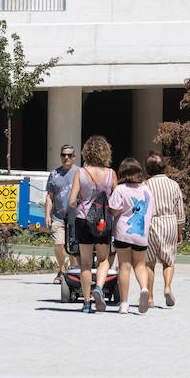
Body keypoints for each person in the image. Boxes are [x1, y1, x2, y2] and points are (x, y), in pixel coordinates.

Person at [68, 135, 116, 313]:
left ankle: (87, 303)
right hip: (103, 221)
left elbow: (71, 201)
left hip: (83, 220)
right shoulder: (111, 174)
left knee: (86, 264)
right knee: (103, 260)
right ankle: (99, 288)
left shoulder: (80, 173)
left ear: (86, 152)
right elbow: (116, 200)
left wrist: (80, 207)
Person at [109, 157, 154, 315]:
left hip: (123, 233)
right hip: (141, 234)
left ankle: (124, 304)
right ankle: (144, 289)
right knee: (140, 265)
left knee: (124, 267)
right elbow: (151, 212)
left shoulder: (120, 189)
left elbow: (114, 210)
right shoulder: (147, 190)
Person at [144, 151, 184, 308]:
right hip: (169, 222)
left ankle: (150, 298)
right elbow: (180, 212)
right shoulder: (173, 185)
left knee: (149, 263)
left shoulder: (145, 185)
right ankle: (167, 287)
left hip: (150, 223)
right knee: (168, 261)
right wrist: (179, 232)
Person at [45, 144, 77, 282]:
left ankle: (74, 271)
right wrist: (47, 215)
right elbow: (49, 196)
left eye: (69, 155)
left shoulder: (79, 173)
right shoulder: (54, 174)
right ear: (60, 156)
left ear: (74, 157)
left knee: (74, 246)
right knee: (58, 244)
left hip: (75, 217)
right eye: (64, 155)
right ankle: (62, 270)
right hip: (58, 216)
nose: (66, 157)